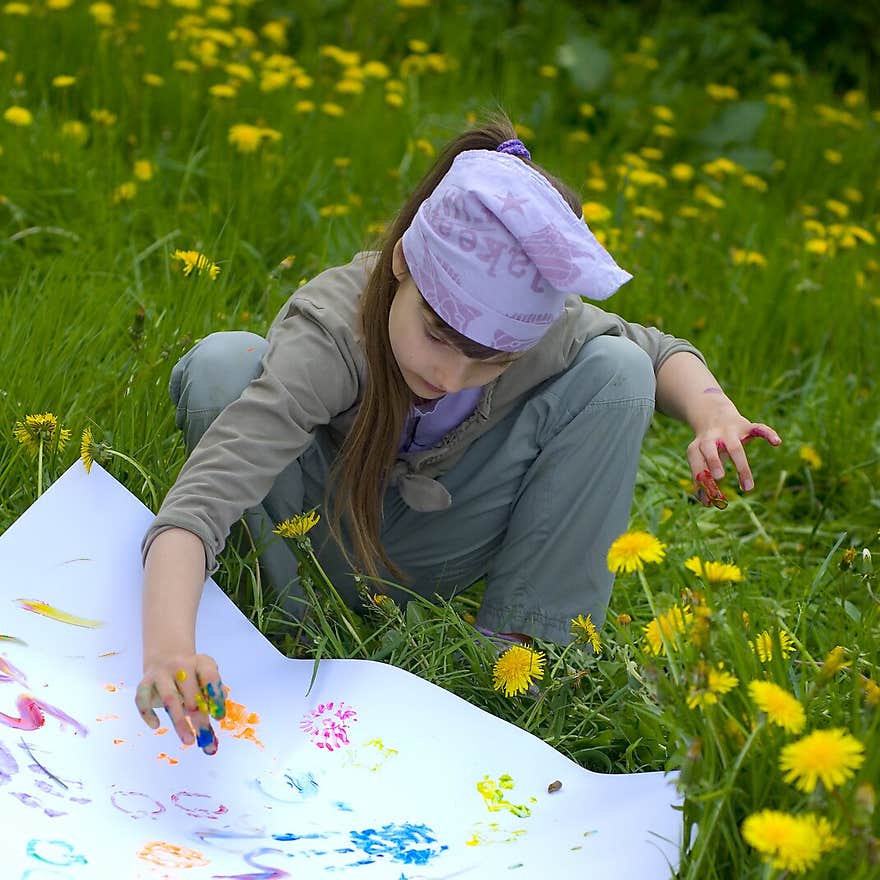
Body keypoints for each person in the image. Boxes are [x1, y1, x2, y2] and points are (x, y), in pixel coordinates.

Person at [135, 112, 781, 755]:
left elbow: (657, 349)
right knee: (222, 367)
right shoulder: (334, 328)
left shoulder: (531, 328)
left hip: (439, 538)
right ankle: (283, 632)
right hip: (314, 534)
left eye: (490, 360)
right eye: (436, 335)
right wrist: (168, 649)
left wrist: (714, 412)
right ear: (400, 264)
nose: (449, 374)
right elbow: (196, 508)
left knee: (620, 371)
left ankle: (517, 671)